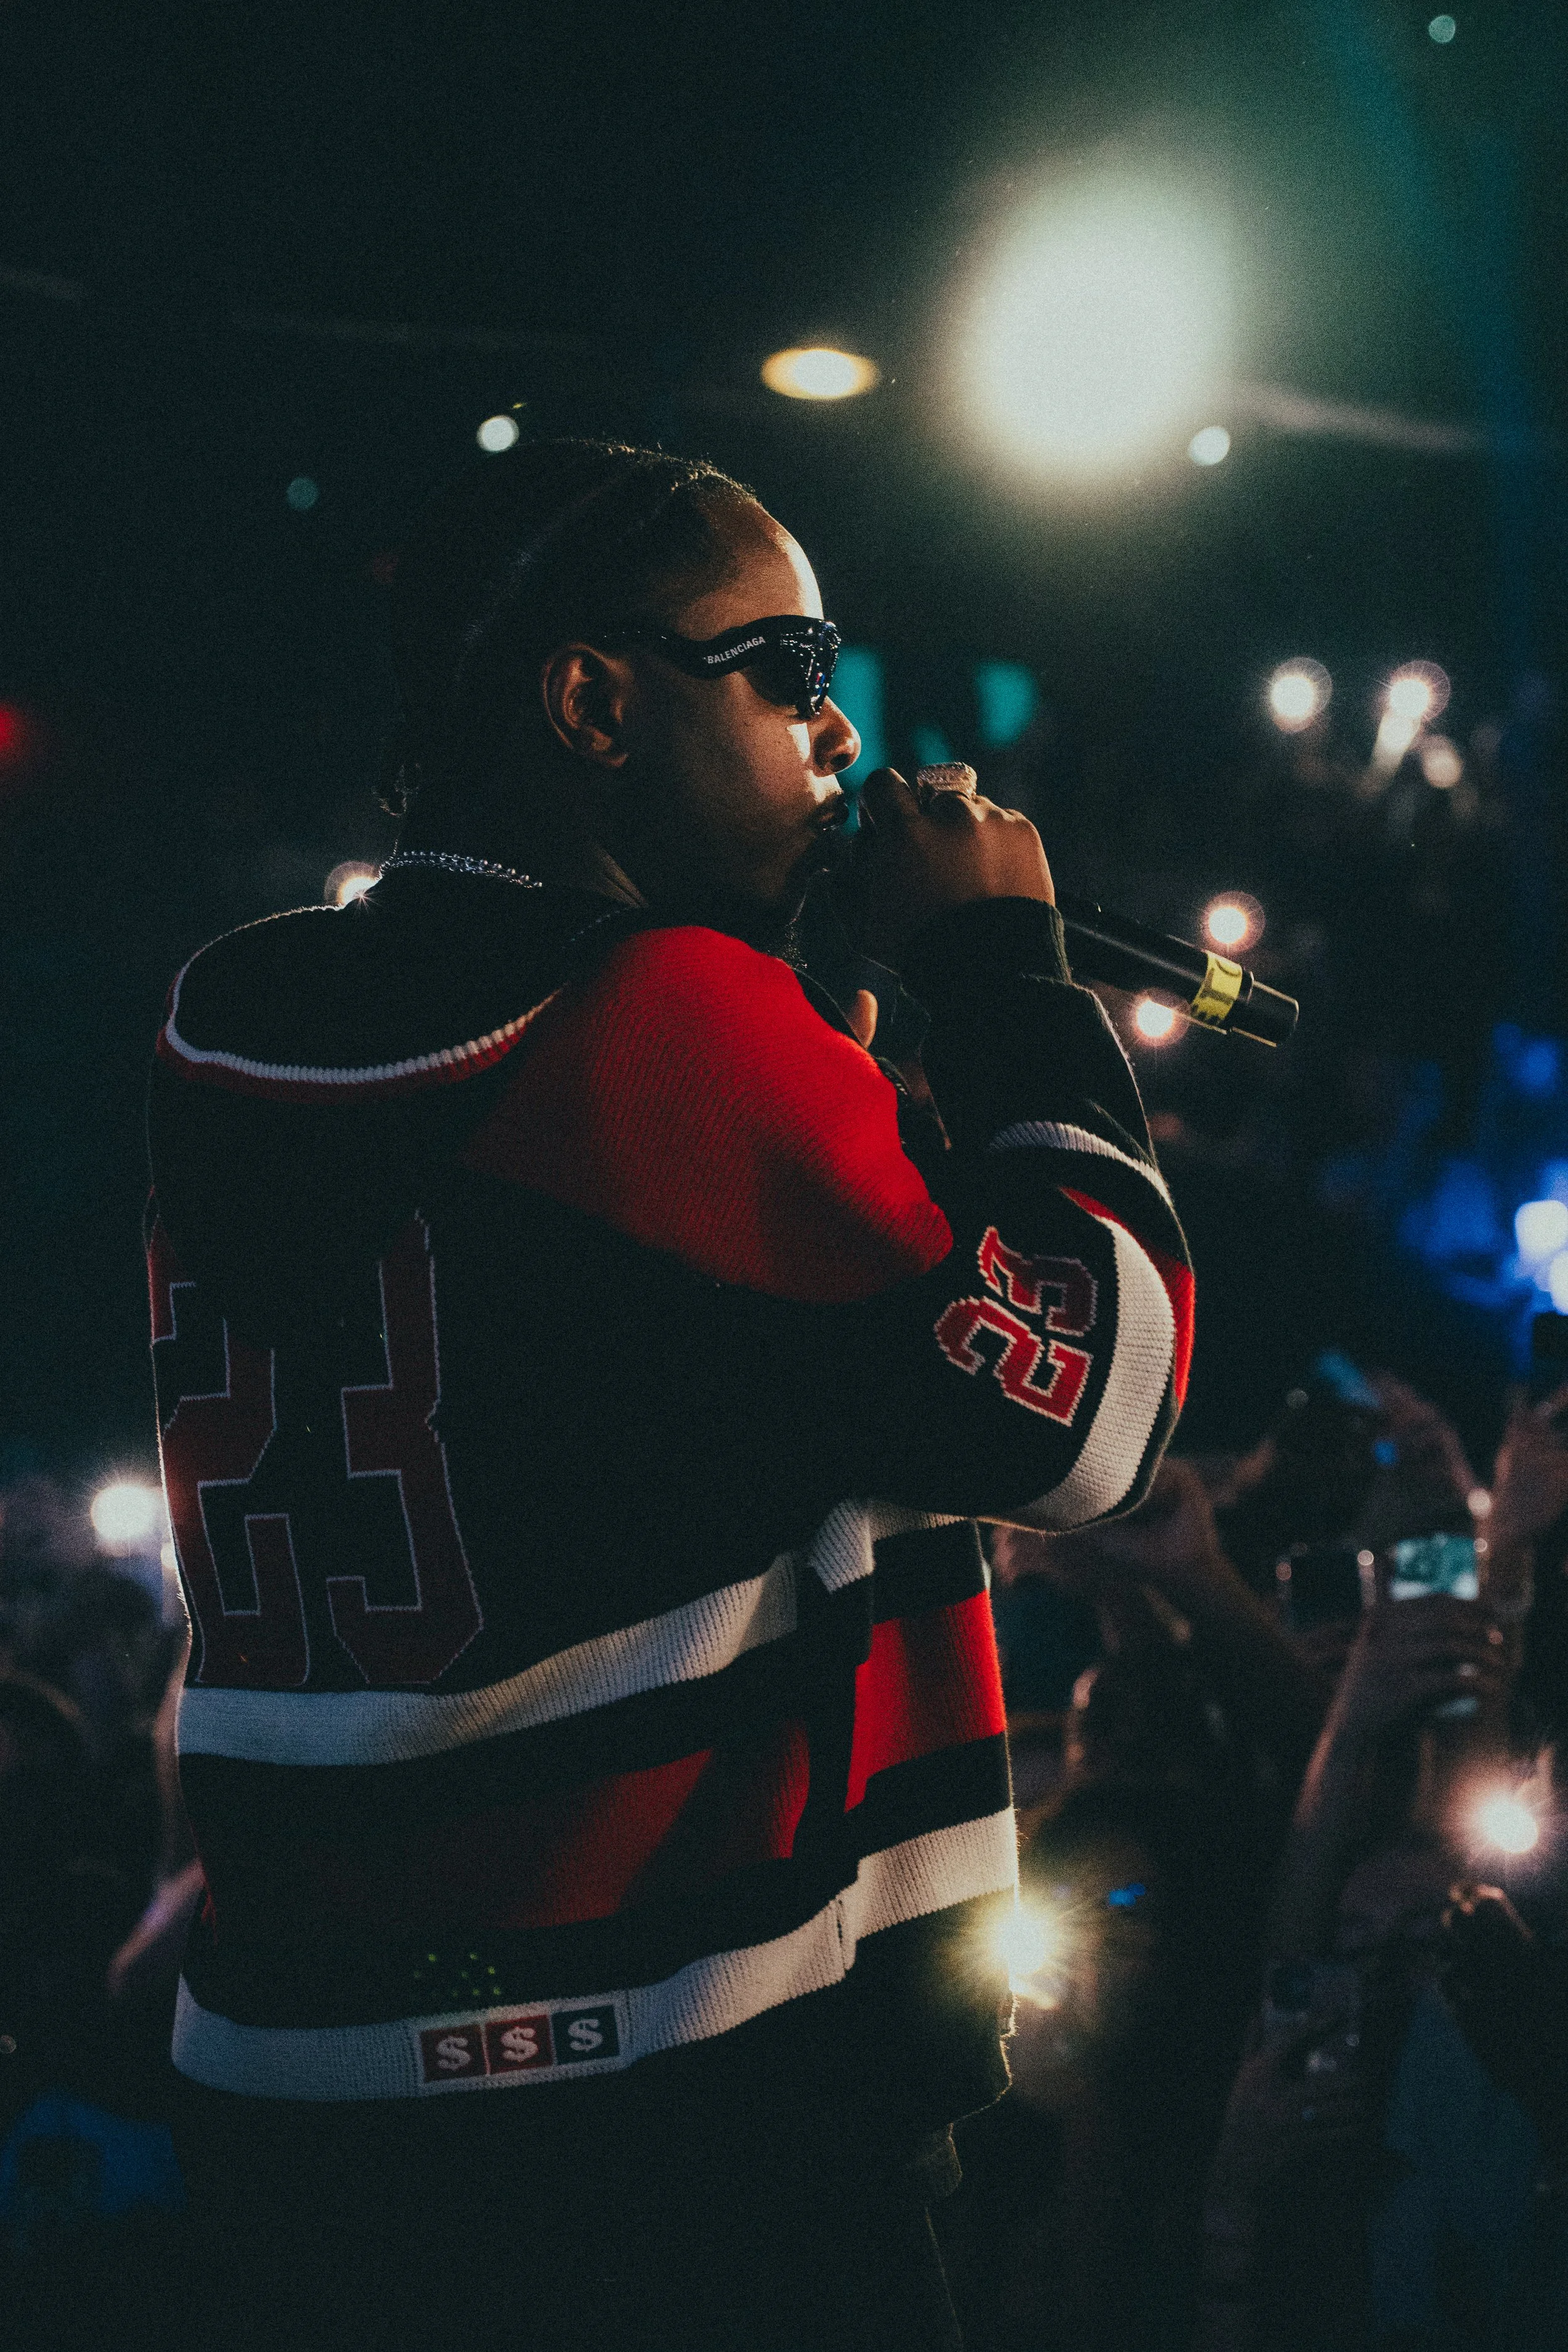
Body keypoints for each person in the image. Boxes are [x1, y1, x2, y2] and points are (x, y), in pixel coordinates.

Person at [144, 437, 1190, 2350]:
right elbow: (1089, 1400)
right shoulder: (651, 1023)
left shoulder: (233, 1011)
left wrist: (821, 1027)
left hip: (304, 2094)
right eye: (786, 664)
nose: (841, 730)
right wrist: (1002, 969)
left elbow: (676, 1374)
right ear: (591, 702)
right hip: (666, 2118)